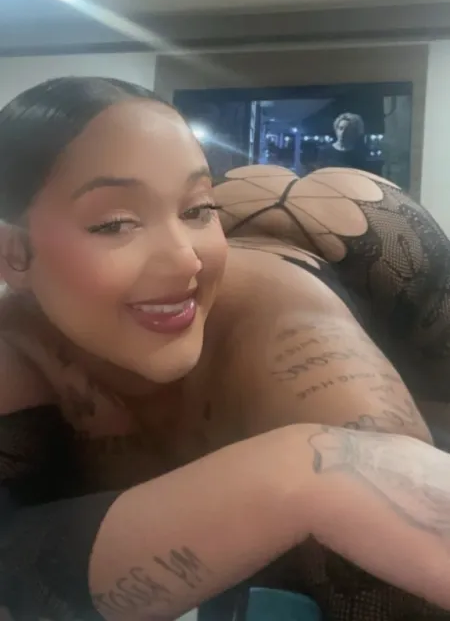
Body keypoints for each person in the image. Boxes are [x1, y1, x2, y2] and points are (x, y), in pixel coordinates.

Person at [0, 77, 450, 621]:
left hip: (350, 236)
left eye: (198, 210)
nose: (186, 262)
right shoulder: (17, 342)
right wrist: (298, 474)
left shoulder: (293, 343)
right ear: (15, 253)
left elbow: (402, 564)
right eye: (115, 223)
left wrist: (320, 476)